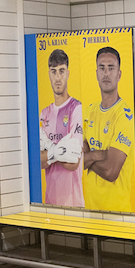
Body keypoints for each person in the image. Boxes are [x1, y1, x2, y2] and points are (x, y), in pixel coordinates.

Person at [82, 45, 135, 212]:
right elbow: (74, 162)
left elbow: (111, 171)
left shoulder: (124, 116)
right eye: (102, 68)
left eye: (111, 68)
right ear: (96, 73)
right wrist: (97, 155)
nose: (106, 73)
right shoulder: (89, 112)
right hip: (90, 209)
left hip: (117, 212)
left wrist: (87, 158)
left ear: (119, 74)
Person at [38, 48, 83, 208]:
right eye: (54, 71)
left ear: (68, 74)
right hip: (50, 203)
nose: (58, 77)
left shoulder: (76, 108)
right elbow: (37, 162)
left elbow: (74, 161)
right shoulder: (44, 113)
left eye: (61, 71)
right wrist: (58, 151)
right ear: (49, 74)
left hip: (74, 203)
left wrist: (49, 152)